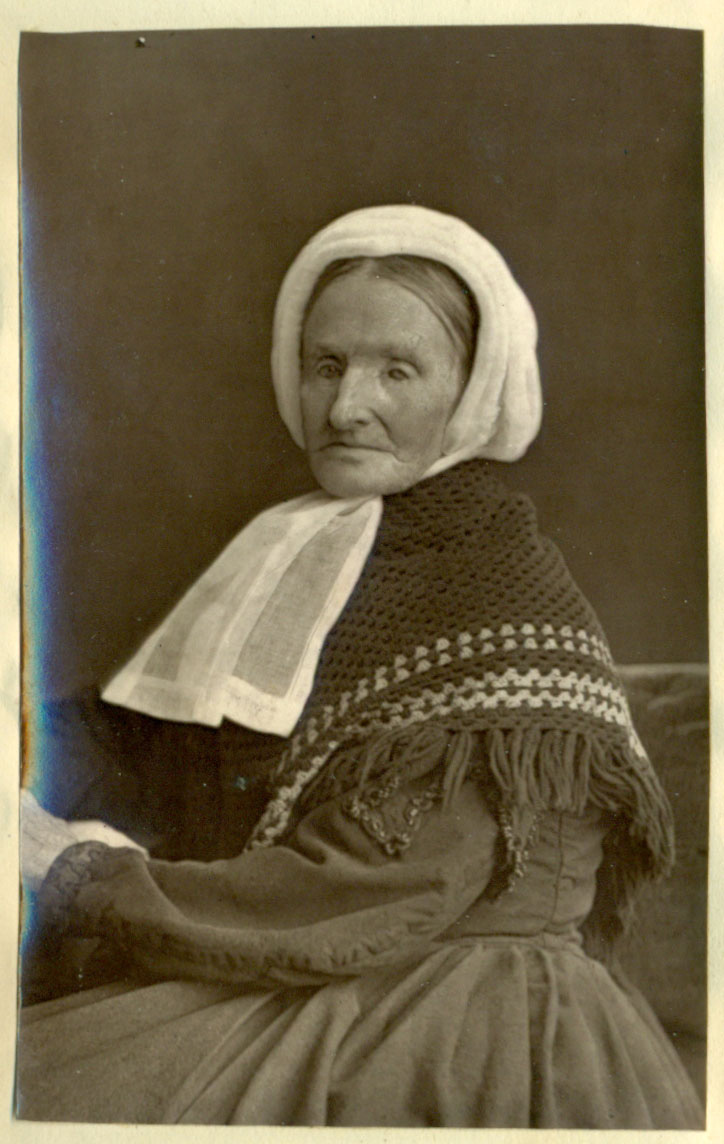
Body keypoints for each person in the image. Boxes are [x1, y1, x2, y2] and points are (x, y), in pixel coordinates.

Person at [17, 205, 704, 1127]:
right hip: (327, 958)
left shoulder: (498, 583)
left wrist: (82, 874)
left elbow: (383, 883)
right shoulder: (297, 547)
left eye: (398, 370)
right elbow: (147, 739)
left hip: (468, 1020)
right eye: (327, 365)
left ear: (472, 389)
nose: (346, 408)